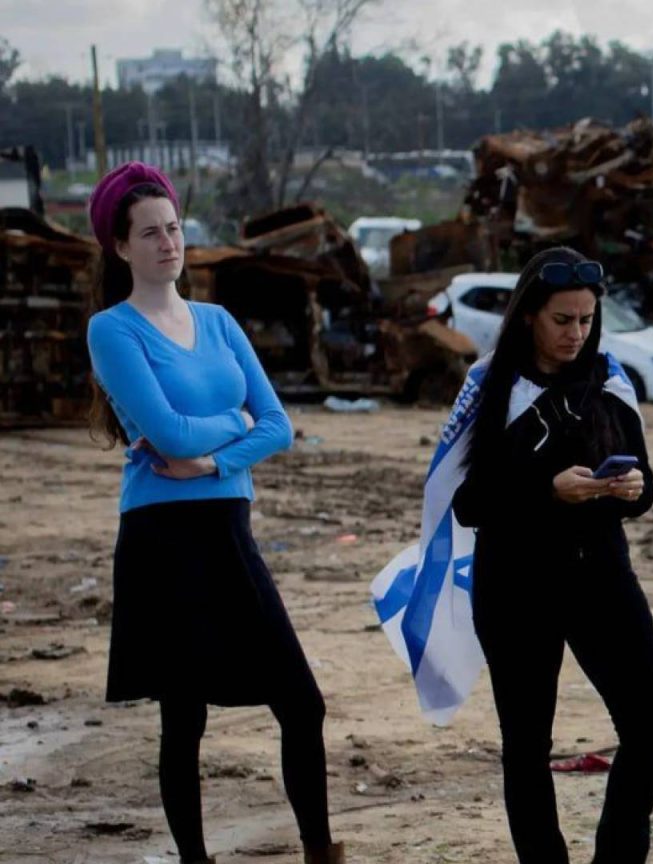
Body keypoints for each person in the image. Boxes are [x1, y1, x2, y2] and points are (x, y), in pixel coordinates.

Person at [84, 162, 342, 864]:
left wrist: (213, 462)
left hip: (229, 527)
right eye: (149, 233)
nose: (168, 243)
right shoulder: (112, 331)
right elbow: (169, 434)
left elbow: (280, 426)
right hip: (162, 538)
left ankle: (321, 852)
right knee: (184, 718)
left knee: (302, 703)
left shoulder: (219, 322)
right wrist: (236, 425)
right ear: (120, 246)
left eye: (173, 229)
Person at [451, 247, 653, 864]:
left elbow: (645, 489)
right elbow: (469, 503)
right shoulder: (492, 387)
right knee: (527, 746)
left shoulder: (610, 381)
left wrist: (632, 489)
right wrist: (548, 490)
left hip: (601, 576)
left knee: (650, 728)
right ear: (528, 316)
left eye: (586, 320)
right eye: (562, 320)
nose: (577, 333)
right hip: (516, 585)